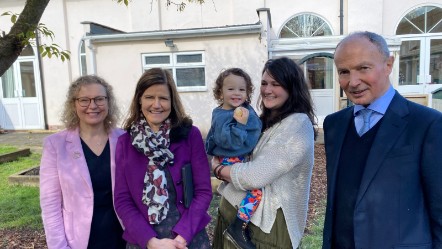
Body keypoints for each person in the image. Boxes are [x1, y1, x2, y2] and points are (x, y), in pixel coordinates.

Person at [322, 31, 442, 249]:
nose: (353, 82)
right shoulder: (334, 125)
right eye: (344, 72)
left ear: (388, 65)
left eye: (363, 68)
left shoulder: (428, 125)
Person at [212, 57, 317, 249]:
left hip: (263, 231)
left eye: (276, 84)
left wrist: (218, 169)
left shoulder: (298, 124)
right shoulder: (264, 120)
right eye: (264, 83)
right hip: (231, 216)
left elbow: (254, 176)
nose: (267, 90)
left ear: (291, 88)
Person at [114, 68, 212, 249]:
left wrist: (181, 238)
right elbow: (122, 200)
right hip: (143, 240)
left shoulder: (190, 135)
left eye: (163, 98)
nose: (156, 104)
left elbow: (203, 191)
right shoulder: (125, 143)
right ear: (139, 100)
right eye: (149, 97)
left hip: (187, 239)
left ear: (172, 101)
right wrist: (151, 242)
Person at [40, 75, 126, 249]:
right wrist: (59, 246)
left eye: (99, 99)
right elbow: (50, 204)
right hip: (79, 240)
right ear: (74, 104)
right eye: (84, 100)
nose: (92, 106)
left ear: (108, 102)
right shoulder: (55, 145)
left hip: (123, 237)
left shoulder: (125, 139)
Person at [205, 68, 262, 249]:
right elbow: (229, 143)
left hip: (239, 157)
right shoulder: (224, 116)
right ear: (220, 92)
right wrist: (239, 125)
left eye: (241, 90)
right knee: (255, 192)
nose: (236, 93)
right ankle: (238, 227)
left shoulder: (241, 109)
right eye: (231, 89)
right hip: (231, 158)